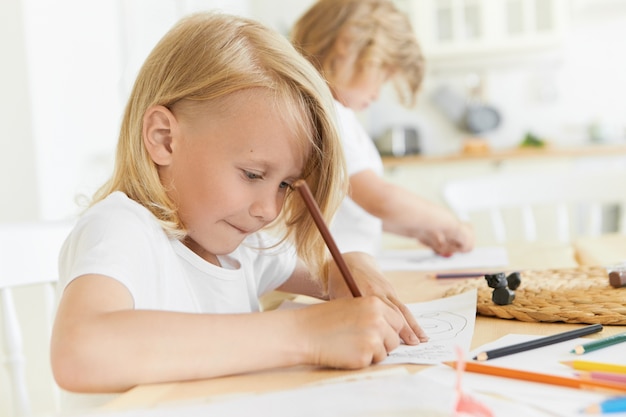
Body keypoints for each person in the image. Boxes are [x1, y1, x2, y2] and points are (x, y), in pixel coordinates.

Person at [50, 11, 429, 408]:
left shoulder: (240, 246)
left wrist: (350, 263)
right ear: (164, 139)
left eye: (284, 184)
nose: (268, 209)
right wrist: (302, 333)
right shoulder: (122, 228)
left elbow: (323, 272)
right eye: (251, 174)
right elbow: (79, 351)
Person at [291, 0, 474, 257]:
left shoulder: (332, 112)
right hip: (334, 274)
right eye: (383, 75)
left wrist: (417, 230)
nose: (377, 94)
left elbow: (355, 208)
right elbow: (379, 200)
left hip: (341, 270)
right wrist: (449, 222)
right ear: (347, 44)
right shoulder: (327, 114)